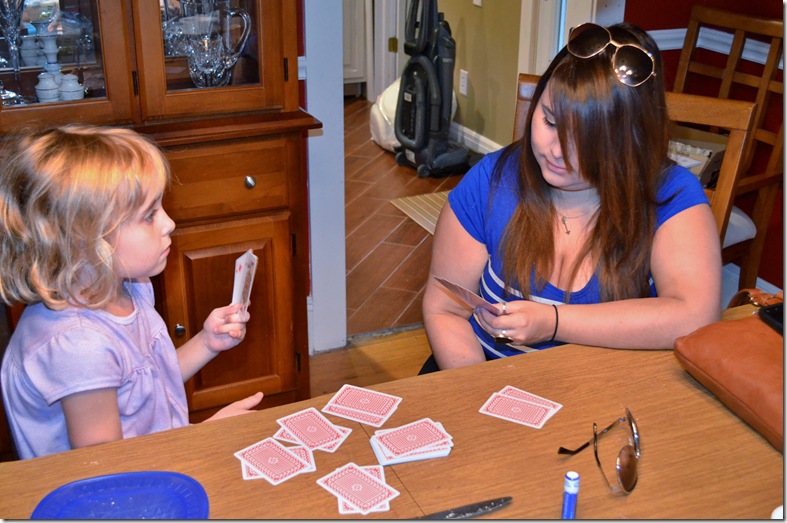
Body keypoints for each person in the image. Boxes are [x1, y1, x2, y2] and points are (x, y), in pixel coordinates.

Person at [421, 22, 722, 371]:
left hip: (604, 389)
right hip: (481, 373)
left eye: (586, 140)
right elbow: (446, 309)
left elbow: (695, 316)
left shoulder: (670, 194)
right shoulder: (491, 181)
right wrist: (479, 389)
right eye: (550, 122)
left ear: (630, 141)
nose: (557, 151)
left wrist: (552, 322)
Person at [0, 125, 263, 459]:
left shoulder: (128, 287)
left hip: (157, 462)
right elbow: (107, 465)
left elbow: (145, 382)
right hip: (114, 487)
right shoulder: (78, 346)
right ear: (86, 240)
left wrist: (207, 343)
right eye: (149, 215)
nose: (169, 223)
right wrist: (203, 436)